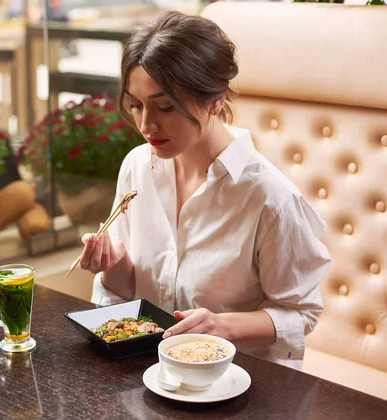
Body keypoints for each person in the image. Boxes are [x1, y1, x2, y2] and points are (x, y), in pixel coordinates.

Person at [78, 11, 330, 369]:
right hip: (151, 371)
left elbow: (300, 314)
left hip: (238, 380)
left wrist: (222, 325)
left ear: (216, 99)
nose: (147, 124)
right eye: (136, 105)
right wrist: (112, 264)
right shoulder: (137, 166)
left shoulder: (269, 198)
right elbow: (132, 289)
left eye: (165, 106)